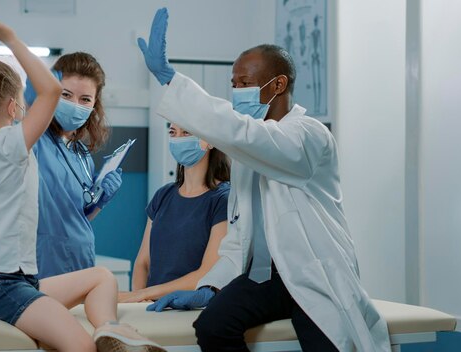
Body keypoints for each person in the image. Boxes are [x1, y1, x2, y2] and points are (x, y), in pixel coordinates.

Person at [136, 7, 391, 352]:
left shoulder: (307, 135)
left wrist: (171, 80)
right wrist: (210, 287)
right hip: (265, 279)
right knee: (213, 326)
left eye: (245, 83)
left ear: (279, 84)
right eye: (233, 84)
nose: (236, 91)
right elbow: (241, 236)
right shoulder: (249, 155)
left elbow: (250, 137)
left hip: (313, 276)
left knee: (329, 344)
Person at [0, 11, 164, 352]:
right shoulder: (12, 145)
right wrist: (10, 39)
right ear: (15, 107)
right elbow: (49, 89)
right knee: (80, 346)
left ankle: (111, 331)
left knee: (101, 277)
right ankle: (105, 334)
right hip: (0, 284)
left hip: (4, 281)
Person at [24, 53, 123, 278]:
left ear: (94, 104)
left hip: (80, 262)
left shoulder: (82, 155)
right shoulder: (36, 140)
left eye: (85, 99)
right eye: (65, 95)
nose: (75, 105)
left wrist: (101, 200)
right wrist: (32, 105)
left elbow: (78, 217)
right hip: (42, 265)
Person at [119, 123, 230, 303]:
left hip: (187, 308)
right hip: (150, 306)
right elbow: (143, 263)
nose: (178, 139)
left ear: (210, 140)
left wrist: (144, 294)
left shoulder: (223, 199)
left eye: (186, 132)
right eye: (173, 132)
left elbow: (207, 273)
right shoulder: (163, 195)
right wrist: (139, 301)